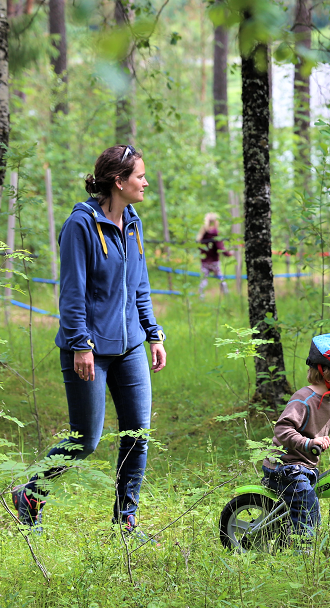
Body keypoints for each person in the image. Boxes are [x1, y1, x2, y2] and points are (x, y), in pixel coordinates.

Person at [12, 144, 167, 537]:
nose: (146, 183)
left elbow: (140, 286)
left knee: (137, 435)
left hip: (130, 344)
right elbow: (72, 293)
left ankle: (125, 519)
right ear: (118, 181)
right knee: (86, 439)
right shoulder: (80, 225)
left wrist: (153, 335)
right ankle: (31, 494)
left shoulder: (132, 221)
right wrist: (81, 343)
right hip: (90, 349)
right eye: (139, 177)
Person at [262, 333, 330, 540]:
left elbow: (328, 424)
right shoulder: (304, 399)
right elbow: (283, 429)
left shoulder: (329, 399)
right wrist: (308, 443)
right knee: (307, 507)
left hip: (302, 466)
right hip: (284, 467)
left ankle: (291, 534)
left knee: (306, 501)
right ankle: (302, 550)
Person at [195, 212, 231, 298]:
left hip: (204, 262)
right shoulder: (216, 233)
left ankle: (201, 296)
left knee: (203, 280)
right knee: (221, 279)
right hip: (214, 261)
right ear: (215, 221)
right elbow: (220, 247)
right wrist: (228, 254)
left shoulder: (202, 233)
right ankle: (227, 296)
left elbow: (199, 246)